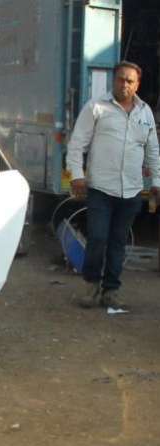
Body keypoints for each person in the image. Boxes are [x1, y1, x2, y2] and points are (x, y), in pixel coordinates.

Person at [67, 61, 160, 309]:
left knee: (118, 242)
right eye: (121, 79)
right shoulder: (97, 107)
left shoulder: (145, 112)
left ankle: (111, 290)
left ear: (137, 84)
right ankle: (91, 286)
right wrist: (77, 174)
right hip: (100, 188)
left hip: (131, 190)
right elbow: (77, 143)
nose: (125, 84)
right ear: (114, 81)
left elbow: (152, 149)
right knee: (98, 238)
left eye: (130, 80)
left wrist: (157, 182)